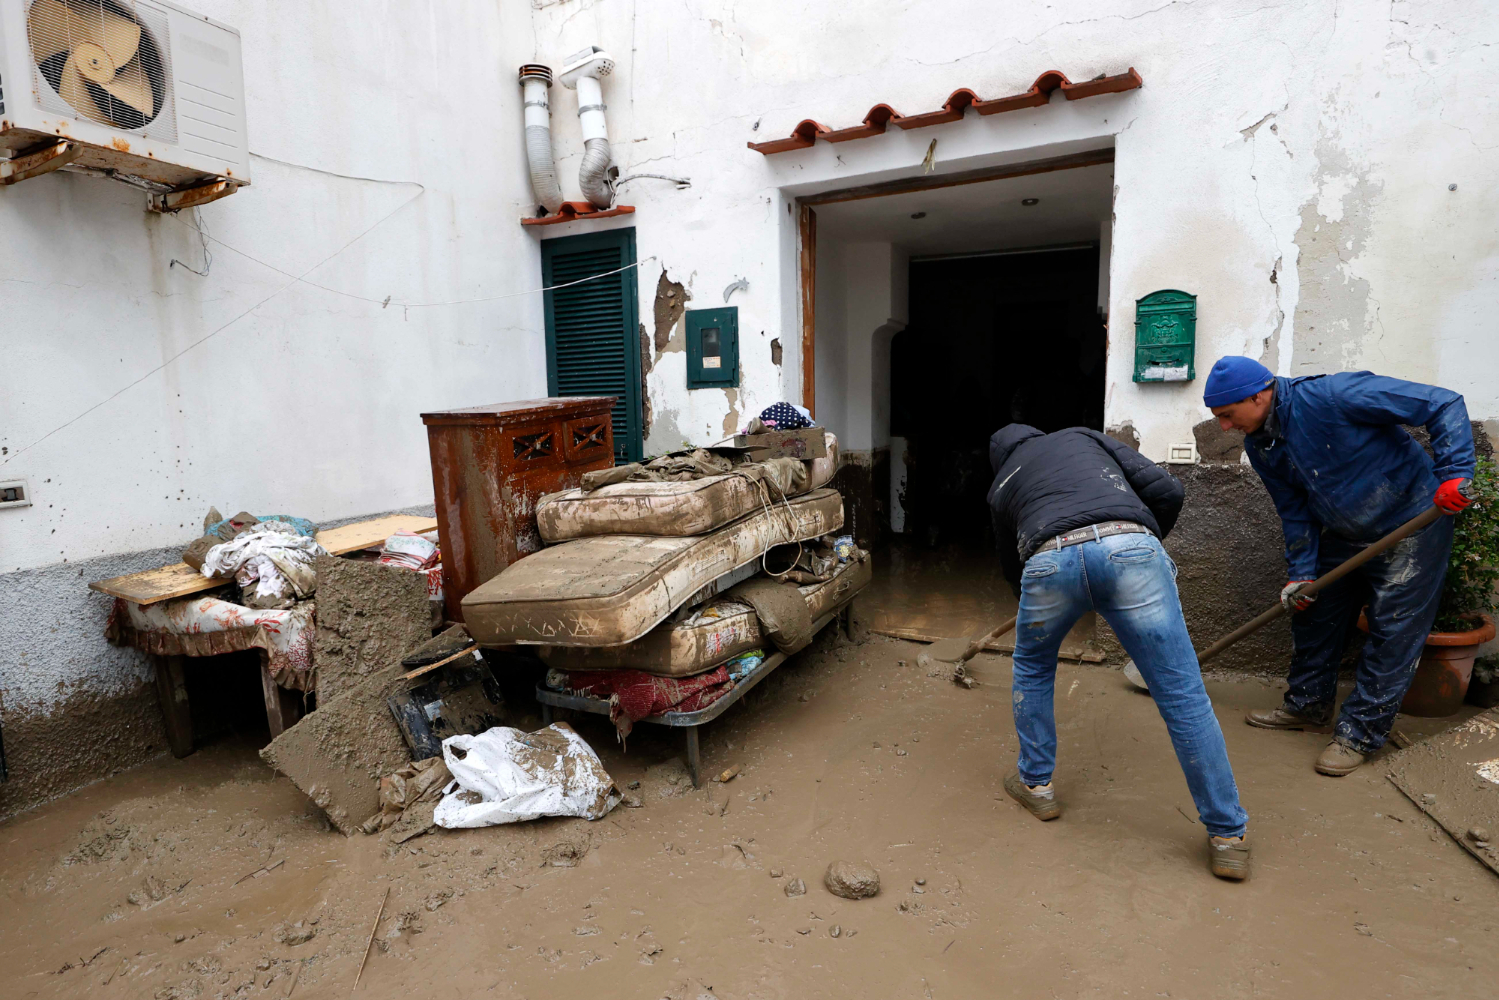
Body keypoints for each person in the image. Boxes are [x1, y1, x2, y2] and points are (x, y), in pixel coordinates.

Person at [988, 424, 1251, 880]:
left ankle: (1036, 786)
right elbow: (1168, 489)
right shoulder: (1081, 436)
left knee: (1032, 668)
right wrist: (1143, 543)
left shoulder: (1001, 485)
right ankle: (1227, 836)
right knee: (1183, 694)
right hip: (1129, 547)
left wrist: (1037, 600)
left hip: (1048, 561)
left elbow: (1013, 565)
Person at [1203, 357, 1475, 776]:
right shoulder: (1260, 446)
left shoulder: (1334, 395)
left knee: (1393, 632)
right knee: (1314, 612)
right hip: (1343, 531)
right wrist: (1302, 573)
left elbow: (1442, 403)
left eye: (1227, 415)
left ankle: (1359, 734)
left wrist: (1454, 473)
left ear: (1258, 396)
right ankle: (1308, 705)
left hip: (1412, 523)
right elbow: (1294, 509)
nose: (1224, 427)